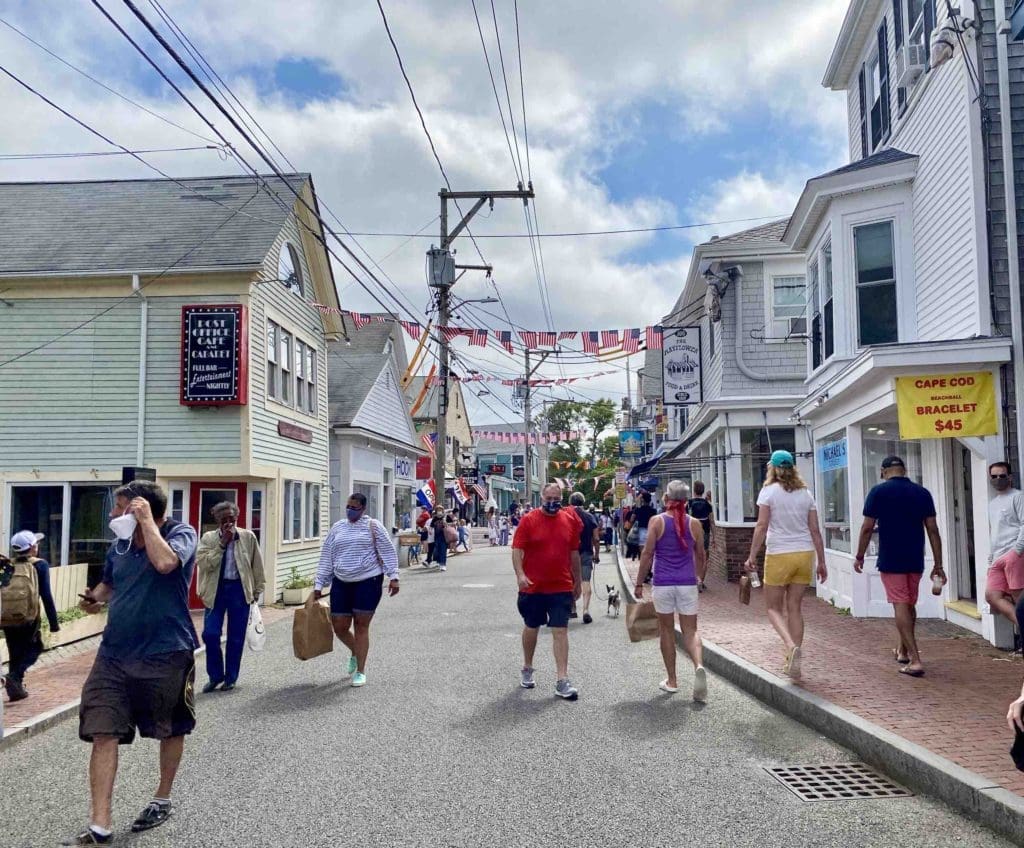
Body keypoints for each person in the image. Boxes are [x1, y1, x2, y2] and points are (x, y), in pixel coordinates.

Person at [72, 480, 198, 845]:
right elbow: (110, 584)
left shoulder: (180, 533)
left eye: (119, 508)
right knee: (102, 728)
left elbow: (165, 564)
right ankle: (100, 823)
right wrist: (95, 598)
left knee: (170, 727)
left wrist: (146, 523)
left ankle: (162, 797)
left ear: (141, 509)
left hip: (167, 650)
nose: (113, 515)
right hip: (113, 654)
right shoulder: (120, 546)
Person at [853, 456, 944, 677]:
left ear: (884, 471)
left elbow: (867, 528)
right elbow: (932, 529)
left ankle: (915, 660)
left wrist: (860, 555)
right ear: (904, 471)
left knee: (900, 605)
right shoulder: (922, 493)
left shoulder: (878, 492)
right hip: (915, 557)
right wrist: (938, 564)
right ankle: (903, 650)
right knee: (909, 604)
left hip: (891, 557)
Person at [743, 450, 827, 679]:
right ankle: (793, 660)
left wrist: (752, 556)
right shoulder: (806, 494)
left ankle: (791, 646)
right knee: (795, 608)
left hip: (779, 553)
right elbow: (815, 530)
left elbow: (761, 526)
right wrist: (822, 562)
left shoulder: (768, 492)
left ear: (773, 468)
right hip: (804, 554)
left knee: (772, 608)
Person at [313, 493, 400, 688]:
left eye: (354, 507)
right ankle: (354, 650)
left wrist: (394, 577)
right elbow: (327, 555)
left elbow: (387, 551)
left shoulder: (373, 526)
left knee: (361, 625)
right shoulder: (338, 527)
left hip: (368, 580)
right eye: (348, 506)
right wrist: (319, 584)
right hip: (341, 580)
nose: (350, 510)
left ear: (363, 509)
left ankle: (360, 670)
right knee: (340, 626)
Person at [635, 481, 708, 701]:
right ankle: (698, 666)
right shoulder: (695, 524)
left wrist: (639, 583)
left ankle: (672, 681)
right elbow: (701, 555)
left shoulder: (657, 522)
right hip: (687, 583)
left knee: (666, 630)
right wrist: (699, 578)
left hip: (663, 583)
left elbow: (647, 554)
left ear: (667, 499)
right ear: (686, 501)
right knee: (691, 631)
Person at [512, 482, 583, 700]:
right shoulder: (529, 520)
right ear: (542, 498)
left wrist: (577, 581)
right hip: (533, 587)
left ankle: (562, 679)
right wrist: (520, 575)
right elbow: (517, 549)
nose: (552, 502)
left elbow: (574, 553)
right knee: (532, 626)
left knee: (560, 629)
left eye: (556, 498)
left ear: (562, 497)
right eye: (548, 498)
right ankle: (527, 666)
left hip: (560, 585)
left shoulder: (569, 520)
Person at [195, 502, 265, 693]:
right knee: (210, 634)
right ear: (217, 520)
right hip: (215, 590)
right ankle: (215, 676)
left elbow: (256, 565)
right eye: (223, 520)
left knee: (236, 636)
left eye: (231, 519)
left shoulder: (248, 537)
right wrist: (222, 544)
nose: (228, 523)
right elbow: (204, 564)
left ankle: (231, 677)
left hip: (239, 590)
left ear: (237, 518)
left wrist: (257, 590)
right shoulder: (208, 539)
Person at [1, 530, 59, 702]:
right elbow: (46, 596)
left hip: (8, 617)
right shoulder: (40, 565)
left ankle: (15, 690)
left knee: (15, 652)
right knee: (36, 647)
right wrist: (54, 623)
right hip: (29, 617)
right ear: (33, 548)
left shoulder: (6, 564)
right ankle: (14, 677)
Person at [983, 462, 1024, 629]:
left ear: (1010, 478)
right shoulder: (992, 504)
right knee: (992, 595)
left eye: (1002, 476)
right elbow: (995, 533)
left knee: (1018, 596)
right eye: (994, 476)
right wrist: (991, 559)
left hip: (1014, 553)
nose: (998, 479)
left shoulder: (1018, 496)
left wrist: (1017, 550)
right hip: (998, 557)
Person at [569, 492, 601, 624]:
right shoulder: (590, 516)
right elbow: (597, 538)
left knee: (571, 581)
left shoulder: (567, 516)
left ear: (571, 502)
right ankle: (586, 610)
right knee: (586, 581)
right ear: (583, 502)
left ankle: (572, 608)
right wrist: (597, 554)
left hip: (571, 553)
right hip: (586, 552)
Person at [687, 481, 715, 591]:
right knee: (704, 557)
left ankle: (694, 579)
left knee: (693, 556)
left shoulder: (689, 504)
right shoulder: (708, 504)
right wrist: (714, 536)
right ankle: (701, 581)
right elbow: (711, 521)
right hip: (705, 532)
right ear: (703, 491)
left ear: (694, 491)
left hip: (692, 533)